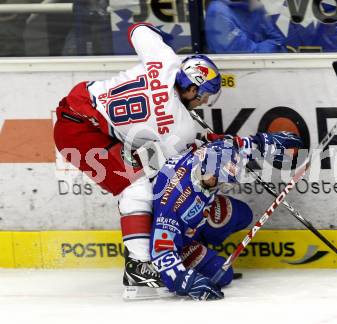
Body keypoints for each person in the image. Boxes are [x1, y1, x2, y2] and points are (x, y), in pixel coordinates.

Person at [53, 22, 222, 299]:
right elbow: (172, 165)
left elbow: (138, 29)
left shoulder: (166, 59)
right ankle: (139, 267)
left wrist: (162, 40)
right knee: (136, 186)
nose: (203, 100)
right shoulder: (181, 127)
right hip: (79, 132)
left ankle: (154, 251)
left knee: (144, 178)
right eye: (203, 94)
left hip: (82, 108)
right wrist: (201, 143)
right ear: (190, 89)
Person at [150, 131, 303, 300]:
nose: (223, 184)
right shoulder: (173, 199)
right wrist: (184, 280)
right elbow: (161, 250)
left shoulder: (216, 154)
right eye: (219, 179)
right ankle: (176, 265)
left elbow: (242, 146)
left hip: (198, 216)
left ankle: (202, 240)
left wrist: (267, 141)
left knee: (242, 214)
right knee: (224, 275)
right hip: (179, 241)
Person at [205, 0, 287, 53]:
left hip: (265, 70)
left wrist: (275, 45)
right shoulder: (217, 12)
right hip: (239, 75)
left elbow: (279, 40)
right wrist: (274, 45)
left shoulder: (253, 5)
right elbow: (245, 55)